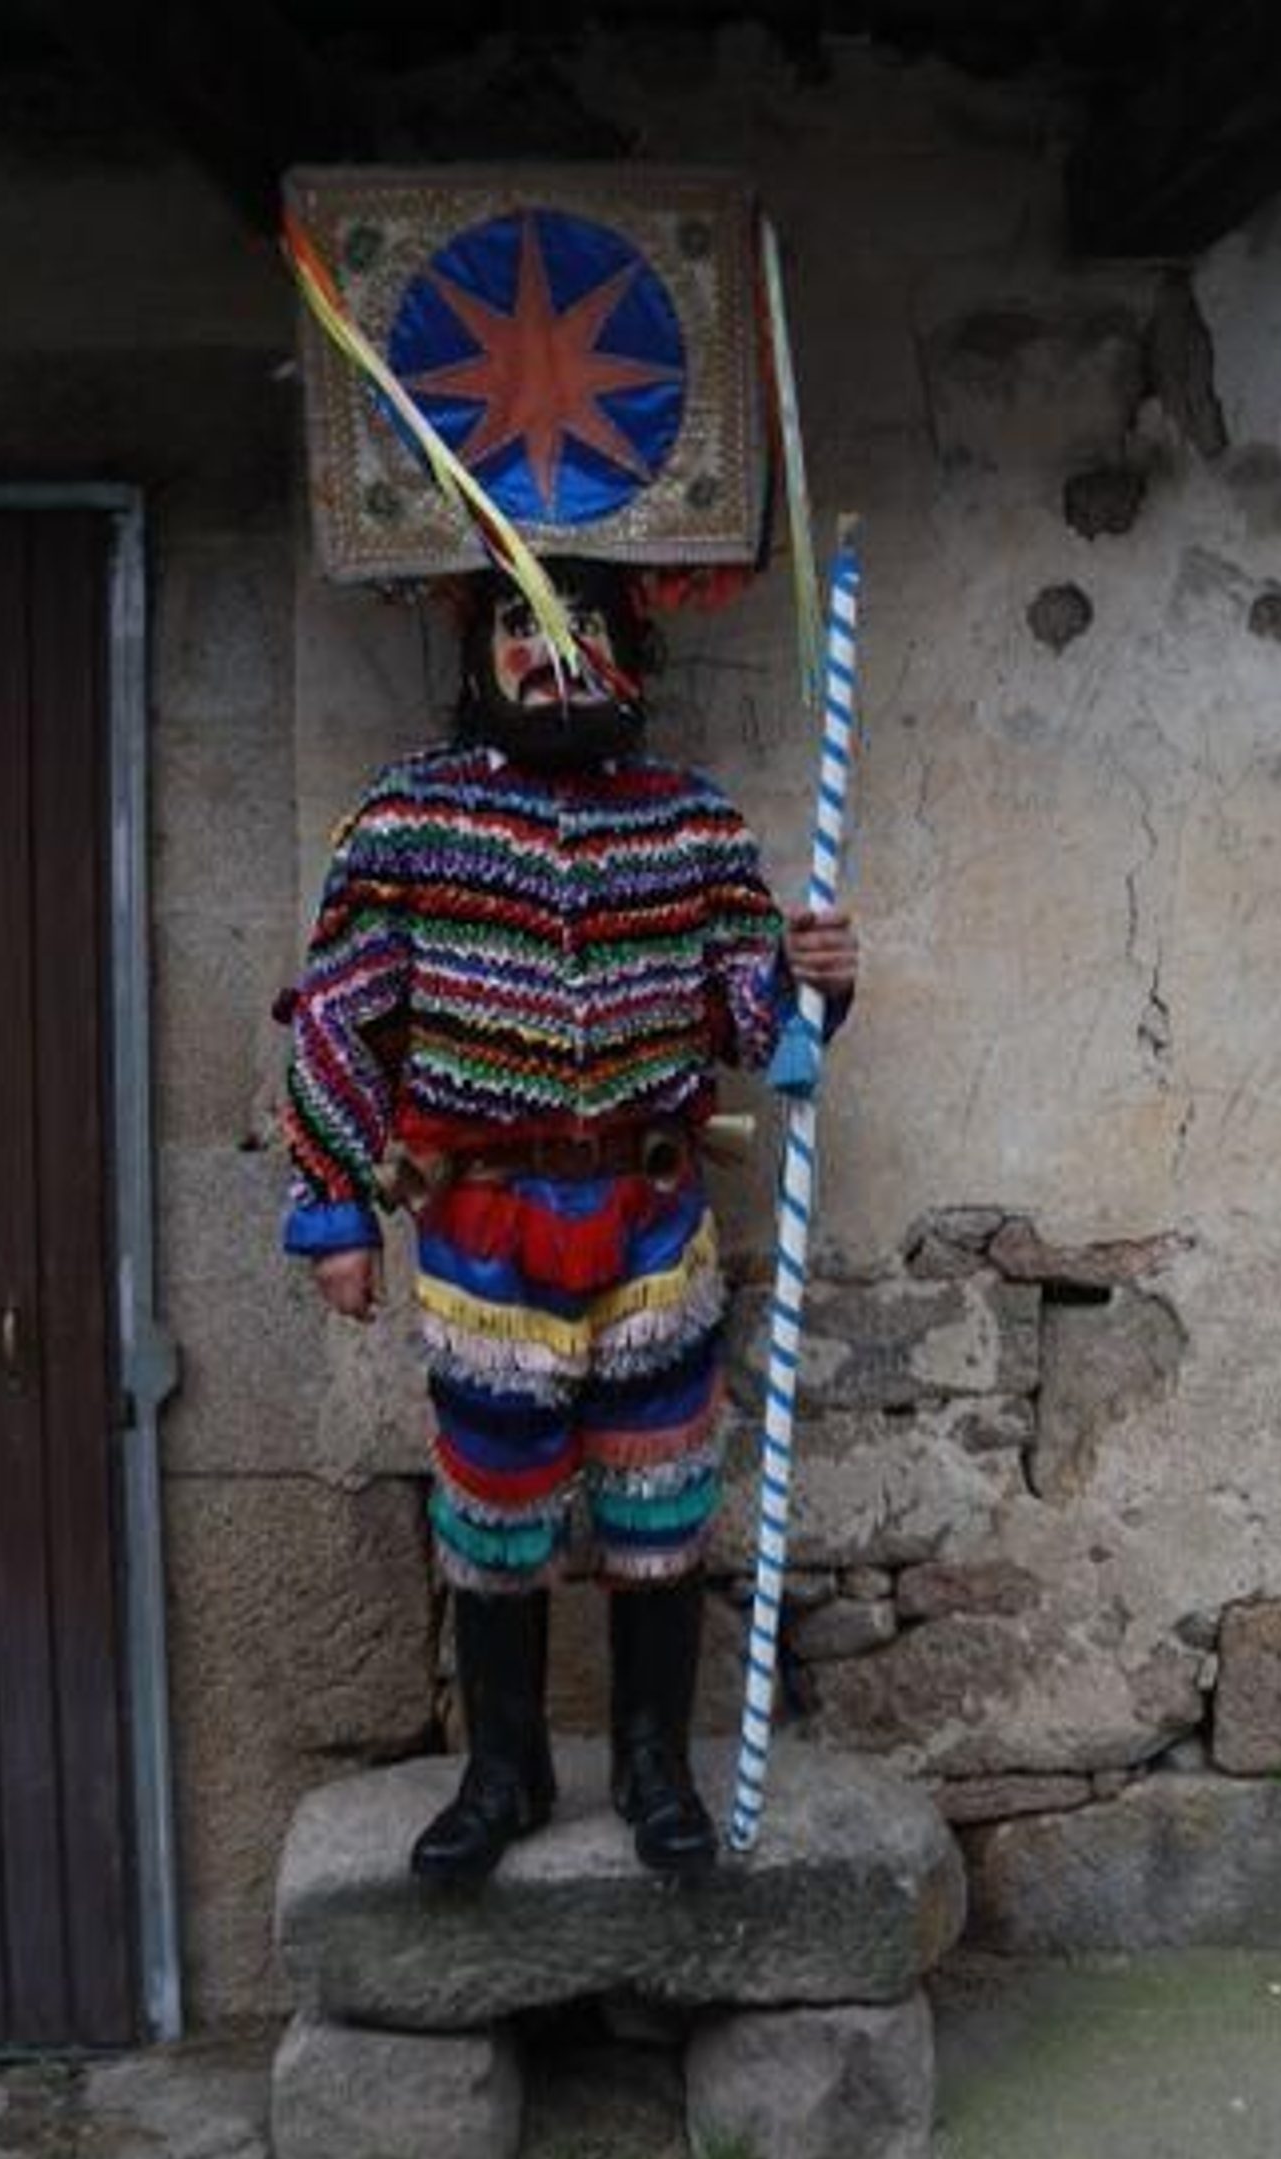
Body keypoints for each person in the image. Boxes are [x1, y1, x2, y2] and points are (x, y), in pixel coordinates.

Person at [282, 560, 857, 1883]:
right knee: (494, 1512)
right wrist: (334, 1210)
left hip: (652, 1222)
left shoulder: (691, 825)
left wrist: (816, 981)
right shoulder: (408, 819)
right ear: (476, 654)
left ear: (633, 656)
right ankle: (508, 1768)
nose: (556, 658)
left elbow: (761, 1033)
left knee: (662, 1497)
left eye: (586, 631)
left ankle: (655, 1763)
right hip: (485, 1232)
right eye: (526, 632)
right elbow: (336, 1013)